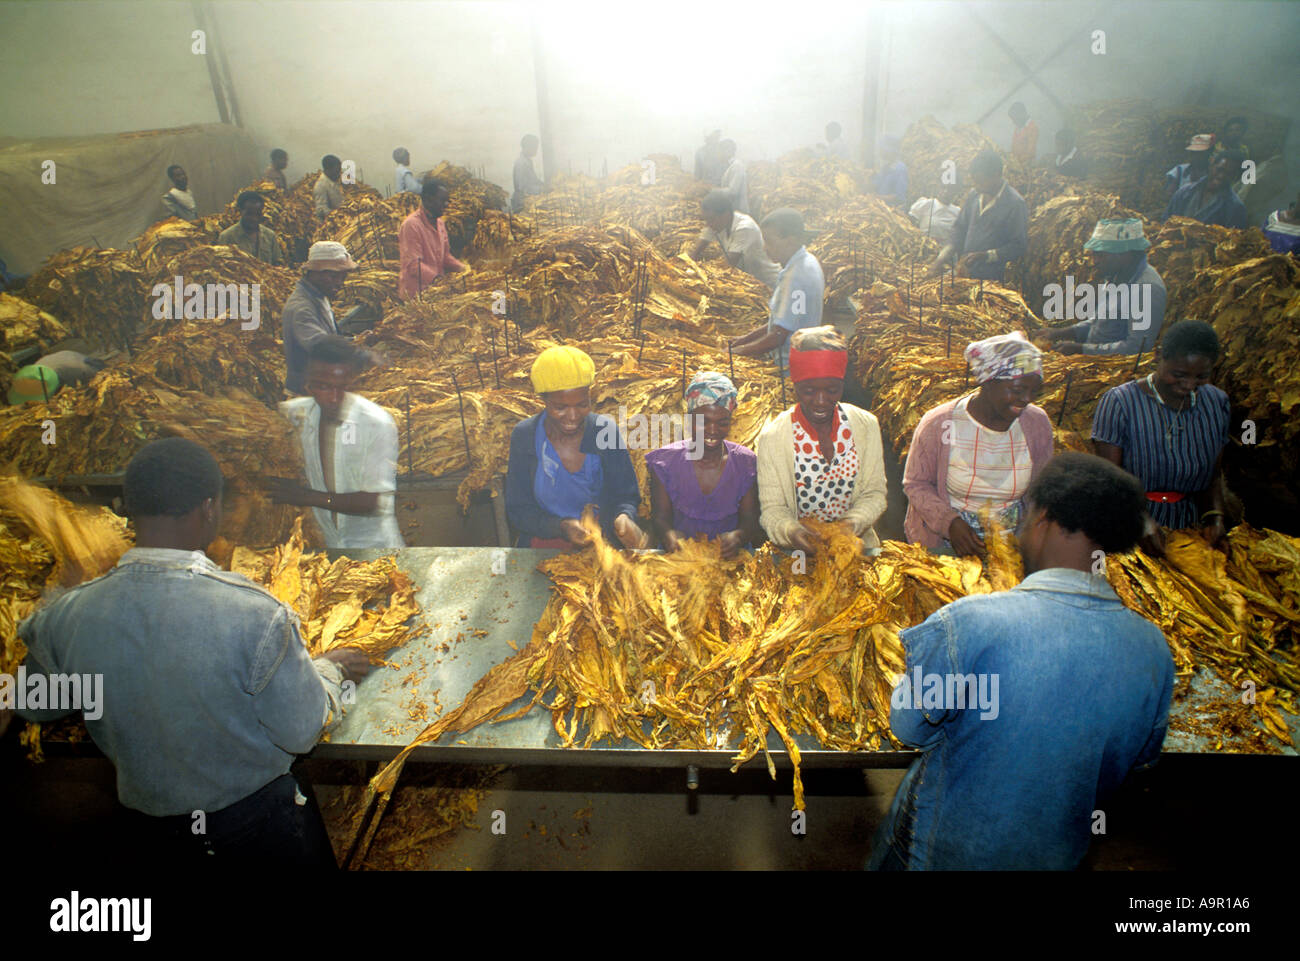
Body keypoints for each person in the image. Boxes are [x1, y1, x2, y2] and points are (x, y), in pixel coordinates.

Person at [14, 438, 371, 866]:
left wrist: (59, 595)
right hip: (257, 832)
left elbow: (34, 704)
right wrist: (328, 671)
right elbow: (301, 730)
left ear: (130, 509)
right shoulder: (256, 613)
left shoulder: (69, 616)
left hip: (151, 837)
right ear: (209, 508)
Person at [869, 451, 1173, 870]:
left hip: (944, 846)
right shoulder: (1152, 647)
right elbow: (1140, 762)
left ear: (1044, 518)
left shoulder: (968, 622)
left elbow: (910, 726)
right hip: (1058, 852)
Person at [903, 332, 1052, 556]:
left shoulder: (1036, 424)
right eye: (1018, 390)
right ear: (988, 382)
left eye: (1033, 391)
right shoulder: (940, 423)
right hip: (949, 542)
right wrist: (950, 523)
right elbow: (916, 484)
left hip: (1011, 545)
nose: (1026, 399)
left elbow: (1042, 489)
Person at [1091, 320, 1231, 556]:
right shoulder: (1119, 403)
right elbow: (1110, 479)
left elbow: (1213, 477)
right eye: (1179, 374)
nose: (1189, 385)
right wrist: (1141, 520)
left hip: (1189, 526)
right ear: (1158, 356)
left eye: (1201, 377)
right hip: (1128, 522)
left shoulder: (1217, 403)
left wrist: (1214, 518)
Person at [755, 326, 887, 555]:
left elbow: (874, 494)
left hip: (857, 548)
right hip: (799, 554)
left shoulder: (866, 426)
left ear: (842, 386)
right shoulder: (774, 438)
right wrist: (792, 532)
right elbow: (773, 510)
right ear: (794, 385)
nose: (820, 401)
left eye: (832, 390)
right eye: (808, 390)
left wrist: (852, 525)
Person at [505, 345, 647, 550]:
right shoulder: (526, 436)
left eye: (582, 405)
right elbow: (518, 510)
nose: (572, 417)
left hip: (602, 543)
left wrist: (624, 517)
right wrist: (560, 527)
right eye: (560, 408)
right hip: (544, 543)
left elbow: (625, 494)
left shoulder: (603, 431)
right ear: (543, 400)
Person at [272, 337, 404, 550]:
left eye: (341, 387)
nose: (334, 398)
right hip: (325, 546)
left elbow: (371, 502)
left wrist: (306, 497)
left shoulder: (376, 423)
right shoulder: (293, 416)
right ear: (309, 382)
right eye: (323, 387)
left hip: (374, 548)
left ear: (352, 381)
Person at [647, 371, 760, 559]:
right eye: (703, 422)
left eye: (722, 423)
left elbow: (750, 519)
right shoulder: (665, 463)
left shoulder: (745, 463)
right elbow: (660, 517)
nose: (712, 431)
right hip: (680, 559)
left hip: (731, 559)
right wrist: (669, 535)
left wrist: (738, 537)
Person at [1036, 218, 1167, 356]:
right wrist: (1059, 333)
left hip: (1115, 369)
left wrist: (1081, 349)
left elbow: (1136, 348)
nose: (1095, 261)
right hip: (1093, 358)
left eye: (1100, 255)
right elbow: (1099, 322)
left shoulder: (1146, 290)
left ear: (1124, 254)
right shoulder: (1115, 277)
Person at [729, 208, 824, 375]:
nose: (765, 248)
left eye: (769, 242)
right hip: (803, 358)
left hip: (790, 367)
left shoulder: (797, 277)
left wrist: (737, 352)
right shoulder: (807, 262)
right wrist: (744, 340)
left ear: (790, 240)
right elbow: (787, 321)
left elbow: (779, 335)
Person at [927, 149, 1028, 282]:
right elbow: (959, 228)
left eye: (980, 181)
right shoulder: (974, 195)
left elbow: (1018, 246)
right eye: (974, 180)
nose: (976, 185)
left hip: (991, 279)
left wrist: (986, 256)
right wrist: (942, 258)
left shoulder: (1015, 204)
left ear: (996, 175)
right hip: (964, 273)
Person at [281, 240, 360, 394]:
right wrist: (359, 354)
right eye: (333, 277)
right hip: (305, 393)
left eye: (342, 277)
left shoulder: (319, 296)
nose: (339, 283)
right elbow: (320, 345)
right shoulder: (301, 307)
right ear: (314, 273)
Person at [688, 189, 780, 287]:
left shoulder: (744, 227)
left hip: (767, 282)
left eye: (711, 219)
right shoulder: (717, 223)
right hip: (749, 282)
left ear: (726, 214)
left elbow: (728, 264)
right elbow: (696, 250)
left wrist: (702, 274)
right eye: (706, 220)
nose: (708, 224)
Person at [398, 178, 468, 300]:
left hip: (435, 292)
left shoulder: (440, 223)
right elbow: (413, 265)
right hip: (416, 297)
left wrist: (463, 268)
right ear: (428, 199)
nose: (446, 205)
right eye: (442, 200)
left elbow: (445, 256)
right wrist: (438, 279)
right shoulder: (411, 225)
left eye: (447, 201)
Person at [1163, 150, 1248, 228]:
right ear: (1211, 166)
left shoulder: (1235, 208)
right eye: (1219, 169)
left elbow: (1233, 241)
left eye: (1229, 174)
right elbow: (1165, 222)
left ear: (1235, 178)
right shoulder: (1184, 192)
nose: (1221, 176)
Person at [6, 351, 106, 405]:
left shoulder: (78, 370)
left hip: (85, 365)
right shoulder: (36, 370)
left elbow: (102, 375)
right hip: (65, 358)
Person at [217, 191, 283, 266]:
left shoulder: (270, 236)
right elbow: (222, 268)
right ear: (240, 211)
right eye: (249, 214)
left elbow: (278, 264)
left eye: (257, 214)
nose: (254, 218)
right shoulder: (227, 237)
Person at [870, 134, 908, 208]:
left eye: (882, 150)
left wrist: (878, 198)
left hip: (893, 211)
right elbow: (876, 183)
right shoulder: (885, 168)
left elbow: (898, 196)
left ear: (891, 151)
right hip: (881, 207)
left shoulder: (900, 169)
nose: (880, 152)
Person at [511, 134, 545, 212]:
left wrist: (543, 184)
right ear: (527, 147)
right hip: (521, 204)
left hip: (528, 200)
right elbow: (522, 188)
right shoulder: (521, 163)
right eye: (535, 147)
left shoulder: (528, 161)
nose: (536, 149)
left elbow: (533, 180)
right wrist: (541, 189)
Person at [718, 139, 749, 216]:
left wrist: (713, 191)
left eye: (719, 152)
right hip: (733, 211)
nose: (718, 155)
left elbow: (733, 191)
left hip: (739, 211)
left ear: (727, 151)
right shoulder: (730, 166)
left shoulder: (737, 166)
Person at [314, 154, 345, 220]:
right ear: (328, 170)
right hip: (332, 223)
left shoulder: (333, 181)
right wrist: (339, 215)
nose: (339, 173)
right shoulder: (320, 186)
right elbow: (321, 209)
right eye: (337, 170)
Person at [1008, 102, 1038, 166]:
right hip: (1016, 164)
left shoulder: (1032, 128)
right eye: (1013, 119)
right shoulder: (1019, 127)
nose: (1013, 122)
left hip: (1025, 167)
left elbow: (1030, 153)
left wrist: (1017, 161)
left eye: (1015, 118)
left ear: (1022, 114)